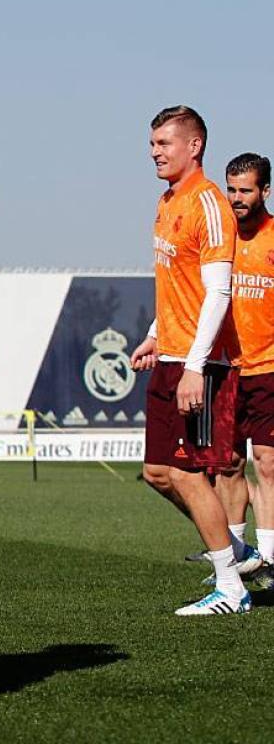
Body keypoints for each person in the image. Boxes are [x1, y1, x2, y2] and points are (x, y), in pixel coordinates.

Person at [129, 107, 260, 615]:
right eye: (153, 143)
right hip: (172, 354)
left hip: (201, 364)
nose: (155, 152)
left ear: (195, 145)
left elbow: (218, 293)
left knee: (187, 473)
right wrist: (155, 335)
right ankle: (237, 553)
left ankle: (230, 587)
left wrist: (194, 366)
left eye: (164, 142)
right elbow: (178, 289)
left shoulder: (207, 203)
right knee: (158, 473)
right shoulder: (167, 202)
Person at [226, 151, 274, 586]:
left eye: (246, 190)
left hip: (269, 368)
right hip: (227, 368)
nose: (237, 198)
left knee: (267, 461)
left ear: (265, 191)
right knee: (226, 466)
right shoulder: (220, 236)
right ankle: (237, 558)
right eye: (232, 189)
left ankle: (272, 559)